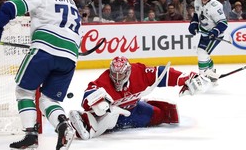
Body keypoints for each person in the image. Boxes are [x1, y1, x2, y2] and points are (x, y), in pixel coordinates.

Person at [0, 0, 81, 150]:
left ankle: (30, 139)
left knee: (24, 91)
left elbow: (10, 7)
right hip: (70, 55)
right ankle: (63, 125)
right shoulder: (72, 3)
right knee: (48, 100)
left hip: (44, 49)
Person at [68, 56, 211, 140]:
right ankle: (85, 121)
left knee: (160, 116)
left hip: (133, 108)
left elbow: (161, 74)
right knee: (106, 120)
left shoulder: (139, 72)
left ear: (128, 71)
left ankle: (148, 104)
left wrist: (185, 78)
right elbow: (87, 97)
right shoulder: (104, 81)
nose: (117, 79)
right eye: (114, 74)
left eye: (121, 75)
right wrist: (99, 102)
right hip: (114, 115)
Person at [188, 0, 228, 82]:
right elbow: (197, 16)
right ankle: (211, 72)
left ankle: (203, 77)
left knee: (202, 53)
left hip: (214, 35)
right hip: (204, 33)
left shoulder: (216, 6)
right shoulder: (197, 1)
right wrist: (193, 24)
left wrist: (214, 32)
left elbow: (223, 23)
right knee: (201, 52)